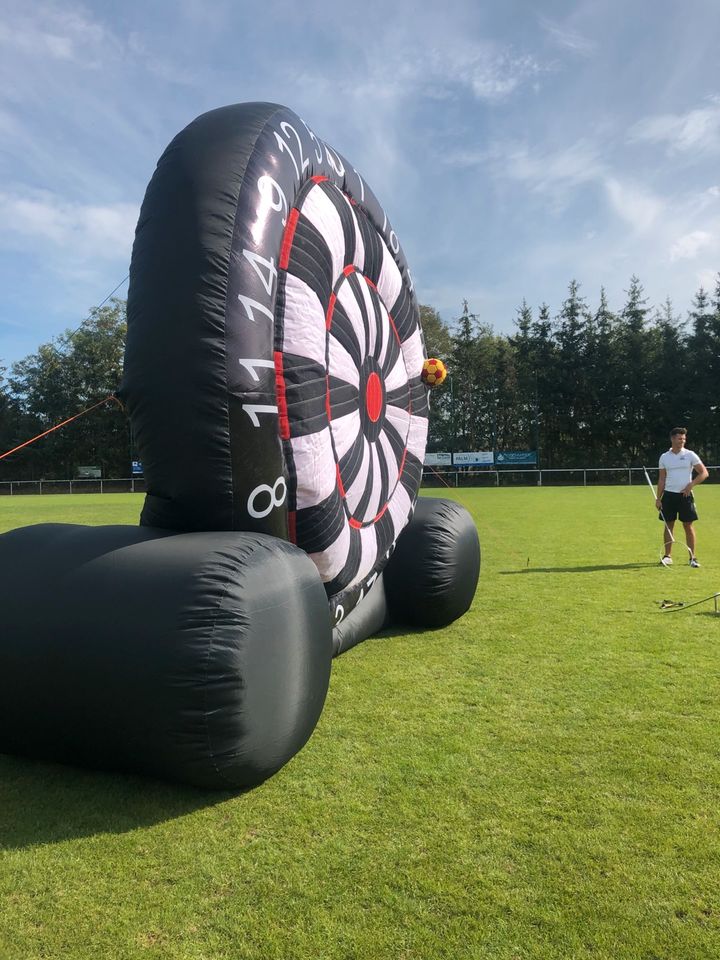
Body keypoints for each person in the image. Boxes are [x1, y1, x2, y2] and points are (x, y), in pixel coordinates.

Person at [655, 427, 708, 567]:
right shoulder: (664, 457)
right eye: (679, 438)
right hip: (669, 496)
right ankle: (667, 556)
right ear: (672, 439)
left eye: (684, 439)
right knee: (668, 525)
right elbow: (661, 479)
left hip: (685, 496)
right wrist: (658, 498)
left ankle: (692, 558)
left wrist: (691, 485)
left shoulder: (690, 455)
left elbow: (703, 473)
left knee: (688, 526)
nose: (682, 441)